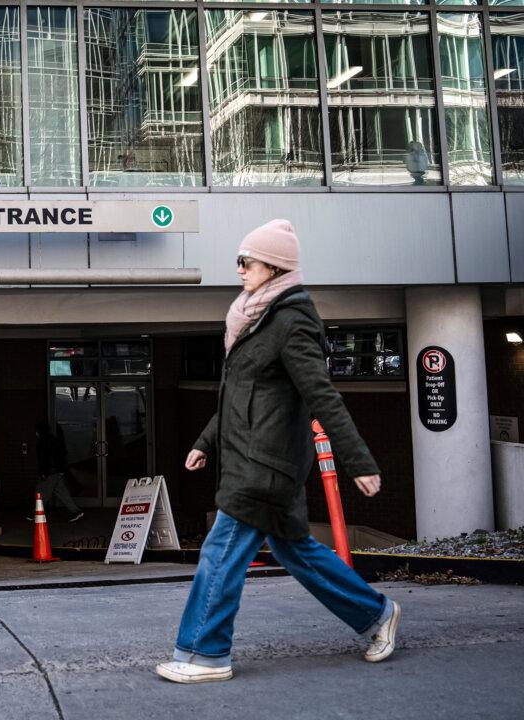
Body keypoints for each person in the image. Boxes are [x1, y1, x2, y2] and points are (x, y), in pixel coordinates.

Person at [156, 219, 400, 684]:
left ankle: (205, 654)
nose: (240, 269)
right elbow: (239, 394)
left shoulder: (291, 321)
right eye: (240, 261)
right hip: (252, 455)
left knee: (221, 551)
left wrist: (359, 460)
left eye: (247, 261)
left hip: (266, 464)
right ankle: (377, 614)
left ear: (274, 266)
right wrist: (205, 442)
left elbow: (321, 394)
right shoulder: (254, 317)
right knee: (296, 552)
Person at [32, 420, 84, 523]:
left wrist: (43, 472)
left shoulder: (43, 441)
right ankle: (75, 511)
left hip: (50, 472)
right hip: (57, 471)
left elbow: (44, 459)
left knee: (42, 493)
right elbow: (60, 454)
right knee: (62, 492)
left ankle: (35, 512)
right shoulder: (53, 439)